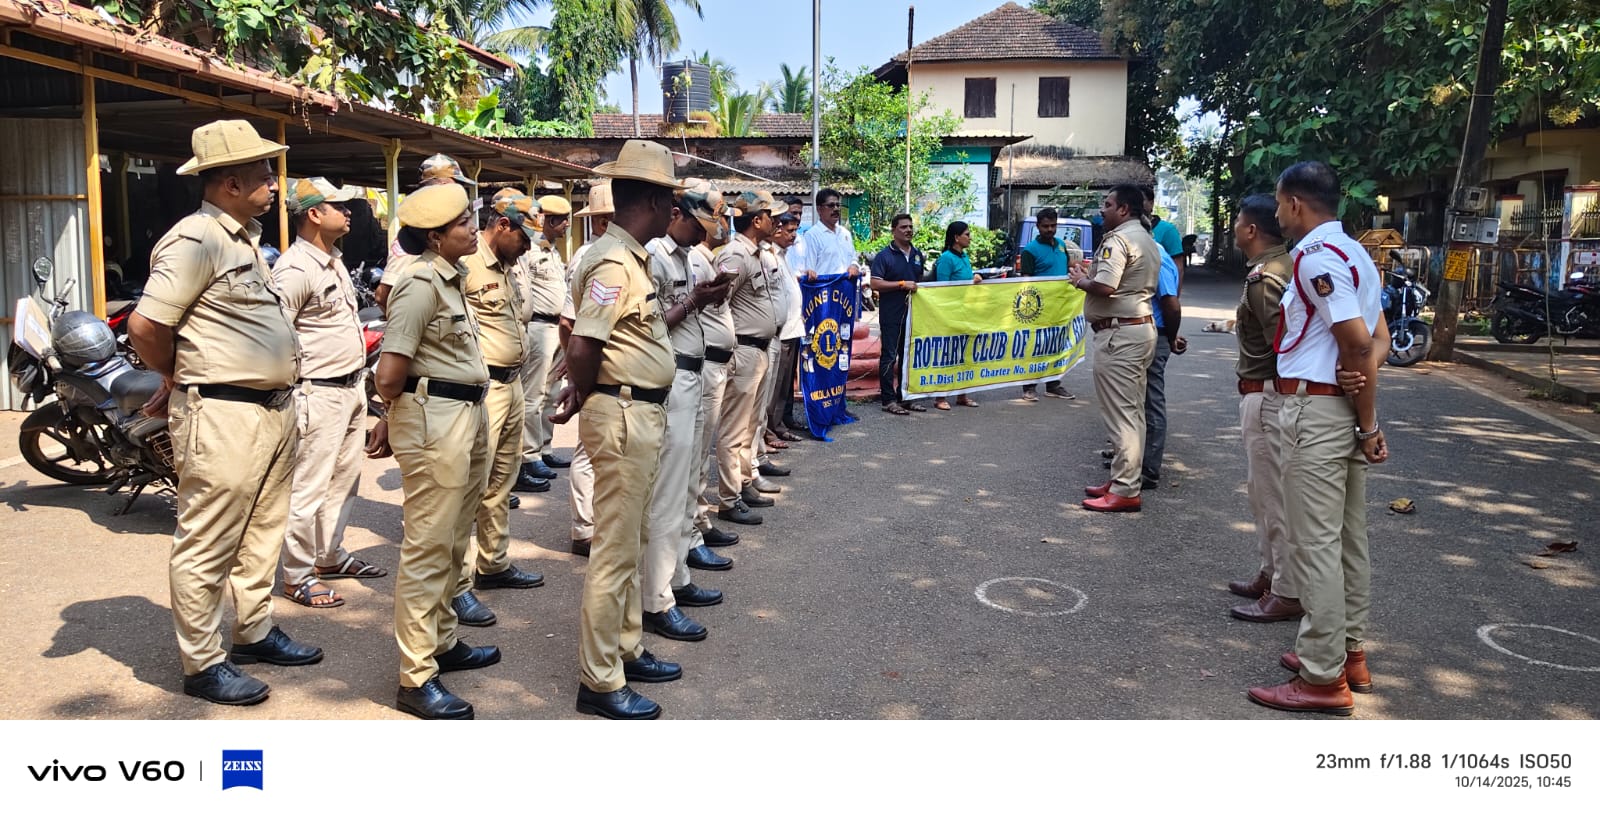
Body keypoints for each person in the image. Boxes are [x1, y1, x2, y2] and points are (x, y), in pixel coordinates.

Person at [128, 120, 322, 706]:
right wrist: (174, 373)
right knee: (208, 539)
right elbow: (146, 325)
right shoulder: (196, 239)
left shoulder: (244, 239)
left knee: (263, 533)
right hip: (222, 413)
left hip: (269, 411)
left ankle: (254, 630)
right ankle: (203, 662)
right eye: (264, 173)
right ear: (231, 184)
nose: (273, 181)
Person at [549, 139, 685, 720]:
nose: (673, 212)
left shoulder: (632, 257)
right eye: (670, 202)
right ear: (652, 201)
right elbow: (583, 342)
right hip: (623, 412)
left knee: (629, 542)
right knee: (613, 550)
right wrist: (584, 390)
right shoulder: (610, 262)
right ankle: (600, 679)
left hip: (638, 409)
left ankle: (625, 649)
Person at [1247, 161, 1388, 716]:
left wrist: (1367, 416)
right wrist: (1362, 401)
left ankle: (1323, 676)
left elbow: (1357, 344)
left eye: (1280, 204)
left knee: (1315, 544)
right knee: (1349, 539)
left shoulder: (1315, 260)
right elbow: (1376, 343)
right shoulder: (1357, 254)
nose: (1278, 214)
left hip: (1317, 411)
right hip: (1342, 408)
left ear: (1297, 204)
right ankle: (1348, 650)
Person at [370, 182, 499, 720]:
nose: (473, 229)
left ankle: (443, 641)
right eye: (463, 224)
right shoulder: (420, 283)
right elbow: (390, 374)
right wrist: (392, 418)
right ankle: (416, 674)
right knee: (427, 546)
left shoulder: (452, 278)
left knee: (453, 540)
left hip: (464, 413)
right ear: (434, 236)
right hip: (435, 420)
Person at [273, 177, 387, 610]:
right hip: (316, 391)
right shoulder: (295, 268)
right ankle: (297, 573)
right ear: (315, 214)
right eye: (339, 206)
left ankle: (329, 555)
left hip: (349, 386)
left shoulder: (333, 260)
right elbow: (278, 334)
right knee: (309, 487)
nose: (349, 212)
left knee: (343, 479)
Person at [449, 188, 548, 631]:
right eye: (523, 235)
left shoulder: (510, 266)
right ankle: (459, 585)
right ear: (502, 225)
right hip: (484, 386)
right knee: (470, 489)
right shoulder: (467, 266)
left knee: (501, 482)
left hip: (512, 385)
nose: (529, 245)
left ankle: (494, 561)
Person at [640, 186, 733, 644]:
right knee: (667, 494)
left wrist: (706, 296)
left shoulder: (681, 255)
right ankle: (656, 600)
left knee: (686, 487)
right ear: (676, 214)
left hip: (694, 377)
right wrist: (694, 301)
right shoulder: (654, 256)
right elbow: (651, 326)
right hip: (673, 380)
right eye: (697, 225)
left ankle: (676, 579)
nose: (702, 235)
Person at [1225, 194, 1300, 623]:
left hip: (1270, 393)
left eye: (1237, 221)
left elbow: (1284, 344)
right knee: (1264, 494)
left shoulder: (1266, 278)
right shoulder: (1276, 269)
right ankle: (1271, 574)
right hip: (1267, 391)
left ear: (1251, 230)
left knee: (1273, 497)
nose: (1234, 227)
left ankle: (1286, 589)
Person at [1075, 184, 1161, 513]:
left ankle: (1125, 489)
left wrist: (1080, 281)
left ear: (1123, 209)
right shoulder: (1146, 238)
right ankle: (1123, 478)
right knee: (1134, 412)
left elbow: (1106, 286)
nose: (1103, 209)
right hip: (1137, 331)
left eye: (1108, 204)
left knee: (1122, 416)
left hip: (1119, 336)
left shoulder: (1119, 239)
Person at [714, 191, 780, 526]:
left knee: (751, 426)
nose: (775, 222)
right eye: (771, 216)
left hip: (759, 349)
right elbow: (716, 303)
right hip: (743, 350)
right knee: (733, 428)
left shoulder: (755, 253)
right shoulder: (735, 255)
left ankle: (743, 482)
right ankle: (728, 497)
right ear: (756, 220)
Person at [562, 184, 614, 556]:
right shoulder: (590, 257)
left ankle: (597, 522)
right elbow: (568, 323)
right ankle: (584, 528)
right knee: (588, 450)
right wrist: (577, 375)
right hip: (590, 360)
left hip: (606, 362)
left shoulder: (611, 253)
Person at [688, 206, 741, 565]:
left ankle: (700, 520)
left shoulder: (708, 258)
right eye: (719, 217)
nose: (724, 224)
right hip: (699, 365)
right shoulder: (692, 258)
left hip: (713, 364)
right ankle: (693, 528)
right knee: (694, 455)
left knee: (700, 452)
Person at [375, 154, 474, 313]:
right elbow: (384, 294)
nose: (460, 191)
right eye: (457, 185)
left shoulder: (447, 219)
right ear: (442, 185)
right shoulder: (416, 222)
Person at [524, 195, 574, 478]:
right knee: (534, 393)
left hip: (557, 327)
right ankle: (529, 455)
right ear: (548, 220)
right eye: (562, 220)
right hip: (538, 327)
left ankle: (543, 448)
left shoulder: (553, 251)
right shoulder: (528, 250)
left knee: (552, 392)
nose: (566, 225)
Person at [1017, 207, 1083, 401]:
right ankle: (1028, 387)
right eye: (1045, 226)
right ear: (1038, 227)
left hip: (1060, 307)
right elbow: (1026, 282)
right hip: (1039, 308)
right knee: (1035, 346)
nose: (1050, 229)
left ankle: (1053, 385)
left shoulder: (1062, 245)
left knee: (1057, 345)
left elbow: (1067, 269)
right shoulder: (1030, 250)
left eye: (1053, 225)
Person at [1139, 246, 1187, 489]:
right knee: (1138, 400)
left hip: (1156, 334)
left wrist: (1171, 335)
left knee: (1151, 400)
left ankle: (1149, 468)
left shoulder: (1154, 254)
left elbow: (1170, 302)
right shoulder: (1144, 252)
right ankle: (1136, 459)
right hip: (1146, 334)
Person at [870, 214, 926, 415]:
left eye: (910, 226)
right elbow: (875, 284)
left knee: (907, 357)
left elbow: (920, 281)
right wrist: (901, 284)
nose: (908, 230)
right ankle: (888, 399)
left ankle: (906, 397)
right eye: (903, 227)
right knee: (889, 356)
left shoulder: (918, 255)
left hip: (912, 316)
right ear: (893, 230)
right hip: (891, 315)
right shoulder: (884, 256)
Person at [765, 211, 807, 443]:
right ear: (777, 229)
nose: (793, 236)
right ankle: (768, 431)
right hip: (779, 331)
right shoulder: (768, 255)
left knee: (784, 386)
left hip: (792, 328)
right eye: (790, 231)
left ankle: (777, 425)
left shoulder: (783, 256)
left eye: (795, 231)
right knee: (774, 385)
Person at [932, 221, 983, 411]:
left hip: (965, 311)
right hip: (949, 312)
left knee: (964, 354)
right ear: (956, 237)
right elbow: (942, 288)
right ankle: (940, 396)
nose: (970, 237)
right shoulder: (946, 258)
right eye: (967, 234)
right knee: (946, 355)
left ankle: (962, 394)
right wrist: (971, 282)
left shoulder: (965, 256)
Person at [789, 187, 860, 280]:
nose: (836, 209)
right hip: (824, 291)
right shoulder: (812, 236)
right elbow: (809, 270)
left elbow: (853, 259)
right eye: (831, 205)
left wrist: (854, 266)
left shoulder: (845, 233)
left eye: (838, 205)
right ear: (819, 209)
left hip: (846, 290)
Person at [1141, 185, 1187, 282]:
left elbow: (1178, 267)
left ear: (1151, 203)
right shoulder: (1124, 229)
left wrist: (1174, 295)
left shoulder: (1168, 230)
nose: (1137, 205)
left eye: (1141, 200)